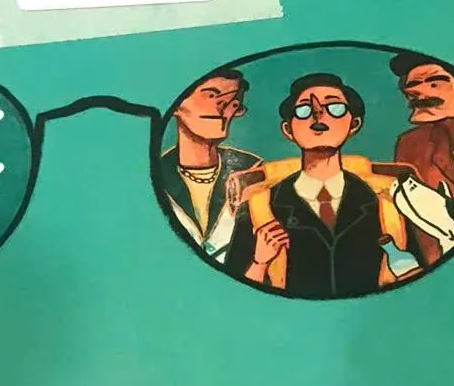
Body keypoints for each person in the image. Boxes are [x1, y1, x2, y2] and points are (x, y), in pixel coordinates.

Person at [225, 73, 389, 298]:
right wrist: (259, 262)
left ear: (354, 125)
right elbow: (232, 294)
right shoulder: (258, 208)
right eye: (304, 110)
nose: (318, 114)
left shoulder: (385, 203)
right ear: (288, 130)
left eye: (335, 108)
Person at [389, 52, 454, 266]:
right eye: (412, 86)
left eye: (434, 83)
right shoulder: (413, 146)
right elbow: (423, 233)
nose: (416, 92)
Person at [158, 70, 262, 264]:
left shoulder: (255, 174)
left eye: (233, 102)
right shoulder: (154, 176)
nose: (223, 108)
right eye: (211, 95)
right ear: (176, 105)